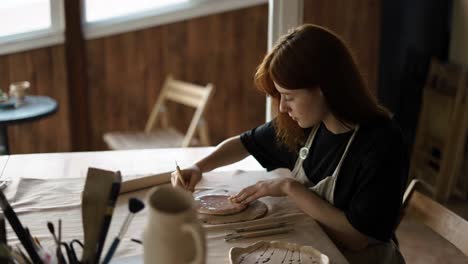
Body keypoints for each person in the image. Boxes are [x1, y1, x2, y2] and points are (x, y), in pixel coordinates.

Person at [171, 24, 408, 264]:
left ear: (325, 88)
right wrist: (199, 168)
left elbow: (357, 238)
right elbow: (244, 143)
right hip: (319, 249)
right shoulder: (307, 125)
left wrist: (289, 188)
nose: (283, 107)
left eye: (290, 97)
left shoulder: (382, 143)